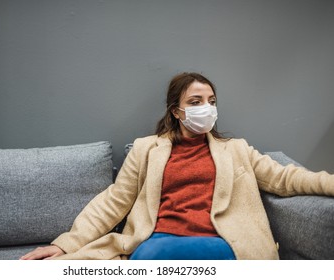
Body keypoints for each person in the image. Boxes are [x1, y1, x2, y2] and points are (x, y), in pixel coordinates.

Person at [20, 72, 334, 260]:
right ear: (177, 112)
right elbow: (114, 202)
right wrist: (64, 245)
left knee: (155, 260)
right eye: (195, 102)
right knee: (150, 256)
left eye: (211, 100)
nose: (207, 108)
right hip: (158, 240)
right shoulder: (147, 149)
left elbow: (286, 179)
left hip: (221, 241)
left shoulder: (236, 150)